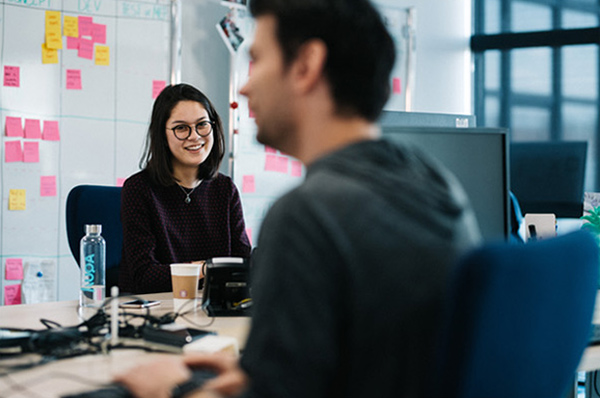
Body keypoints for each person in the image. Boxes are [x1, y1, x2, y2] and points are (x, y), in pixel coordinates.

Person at [115, 0, 481, 396]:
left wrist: (171, 390)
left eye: (258, 60)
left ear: (306, 65)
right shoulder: (436, 185)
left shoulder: (307, 216)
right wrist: (258, 371)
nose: (244, 85)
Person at [119, 83, 251, 294]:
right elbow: (144, 276)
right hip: (156, 312)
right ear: (162, 134)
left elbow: (242, 263)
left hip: (213, 309)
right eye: (181, 128)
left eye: (202, 125)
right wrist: (208, 268)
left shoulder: (225, 189)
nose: (195, 136)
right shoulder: (139, 189)